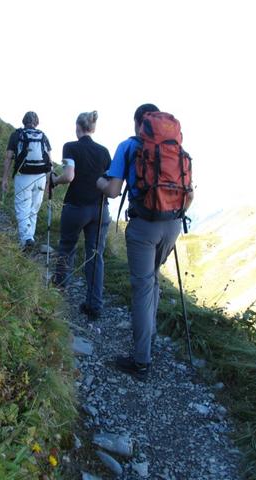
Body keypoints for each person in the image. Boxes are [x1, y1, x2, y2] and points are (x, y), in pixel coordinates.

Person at [96, 104, 194, 380]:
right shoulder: (175, 149)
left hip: (144, 226)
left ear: (138, 122)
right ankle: (149, 336)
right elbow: (190, 194)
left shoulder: (129, 146)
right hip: (173, 223)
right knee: (152, 279)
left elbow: (113, 191)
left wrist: (99, 183)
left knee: (141, 287)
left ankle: (141, 360)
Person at [51, 111, 112, 318]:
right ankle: (94, 305)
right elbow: (110, 180)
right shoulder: (104, 152)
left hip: (76, 206)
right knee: (95, 256)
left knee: (66, 248)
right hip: (100, 209)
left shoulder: (70, 147)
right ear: (93, 129)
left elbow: (69, 176)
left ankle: (58, 291)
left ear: (78, 126)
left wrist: (54, 180)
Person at [1, 111, 52, 249]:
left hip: (23, 176)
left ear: (24, 121)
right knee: (33, 209)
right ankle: (29, 238)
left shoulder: (16, 135)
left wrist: (5, 178)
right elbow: (49, 160)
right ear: (37, 122)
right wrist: (49, 183)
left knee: (22, 208)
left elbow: (8, 157)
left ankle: (27, 239)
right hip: (40, 177)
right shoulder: (43, 136)